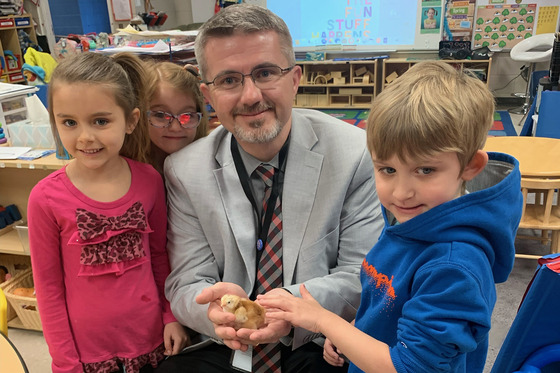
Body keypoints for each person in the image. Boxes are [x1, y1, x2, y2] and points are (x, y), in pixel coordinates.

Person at [158, 4, 384, 373]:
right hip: (228, 341)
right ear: (208, 94)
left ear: (294, 79)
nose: (250, 96)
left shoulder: (353, 154)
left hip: (315, 338)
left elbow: (362, 275)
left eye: (265, 73)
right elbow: (186, 280)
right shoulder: (184, 170)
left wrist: (282, 310)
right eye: (229, 80)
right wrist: (214, 313)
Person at [258, 61, 524, 372]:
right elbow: (385, 300)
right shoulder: (410, 222)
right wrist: (351, 331)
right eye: (387, 170)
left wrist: (324, 321)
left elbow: (410, 367)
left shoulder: (453, 267)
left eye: (425, 170)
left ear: (470, 167)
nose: (400, 193)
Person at [27, 52, 188, 373]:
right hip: (86, 354)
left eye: (100, 121)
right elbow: (48, 289)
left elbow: (159, 258)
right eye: (69, 122)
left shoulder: (149, 180)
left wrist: (171, 315)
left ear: (130, 120)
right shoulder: (44, 198)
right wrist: (65, 362)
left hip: (151, 340)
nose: (85, 136)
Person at [144, 60, 209, 175]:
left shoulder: (208, 166)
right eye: (160, 115)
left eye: (187, 116)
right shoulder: (126, 173)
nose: (175, 128)